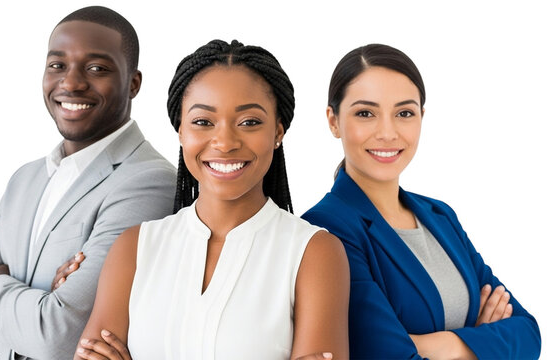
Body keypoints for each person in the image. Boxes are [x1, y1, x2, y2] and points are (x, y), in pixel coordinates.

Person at [73, 39, 350, 360]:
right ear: (180, 130)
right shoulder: (134, 248)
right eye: (203, 122)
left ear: (278, 131)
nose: (225, 142)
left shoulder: (313, 253)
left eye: (249, 122)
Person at [0, 6, 176, 360]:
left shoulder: (150, 181)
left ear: (133, 83)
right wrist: (31, 322)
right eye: (57, 65)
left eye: (97, 68)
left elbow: (58, 335)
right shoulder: (25, 178)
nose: (71, 82)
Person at [301, 43, 541, 359]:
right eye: (365, 113)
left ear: (421, 117)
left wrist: (440, 344)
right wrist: (480, 341)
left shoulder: (440, 215)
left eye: (404, 113)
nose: (388, 132)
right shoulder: (325, 229)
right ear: (333, 120)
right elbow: (386, 355)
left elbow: (528, 333)